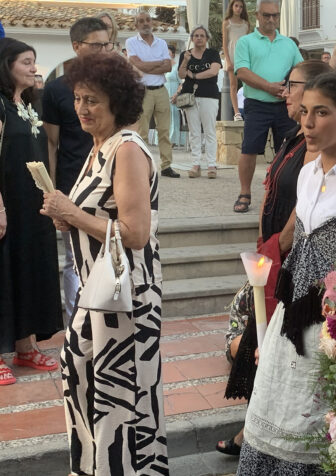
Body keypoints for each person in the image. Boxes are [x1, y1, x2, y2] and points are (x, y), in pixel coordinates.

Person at [237, 72, 336, 475]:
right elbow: (301, 248)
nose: (308, 123)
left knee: (314, 423)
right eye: (305, 112)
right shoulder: (308, 173)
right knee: (273, 412)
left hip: (331, 325)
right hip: (294, 312)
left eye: (321, 113)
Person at [40, 52, 168, 475]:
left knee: (118, 401)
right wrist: (70, 219)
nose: (81, 108)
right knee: (84, 383)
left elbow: (134, 233)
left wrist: (74, 214)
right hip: (96, 295)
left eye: (92, 99)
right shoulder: (99, 149)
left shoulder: (127, 150)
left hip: (124, 301)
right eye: (78, 98)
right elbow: (103, 218)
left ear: (117, 102)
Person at [218, 59, 333, 456]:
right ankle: (253, 428)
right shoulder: (292, 137)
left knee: (267, 345)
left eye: (293, 85)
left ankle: (256, 431)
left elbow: (302, 211)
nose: (285, 92)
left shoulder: (318, 148)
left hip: (287, 259)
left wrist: (273, 249)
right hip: (272, 254)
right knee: (258, 341)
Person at [0, 38, 62, 386]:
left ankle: (26, 345)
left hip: (32, 207)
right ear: (6, 65)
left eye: (33, 61)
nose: (33, 68)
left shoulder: (28, 105)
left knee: (27, 271)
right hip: (7, 204)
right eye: (26, 61)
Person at [42, 17, 111, 325]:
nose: (103, 50)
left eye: (107, 44)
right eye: (97, 44)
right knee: (74, 259)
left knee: (110, 249)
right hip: (74, 182)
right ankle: (77, 323)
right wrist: (53, 190)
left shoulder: (114, 84)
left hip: (111, 180)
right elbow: (52, 144)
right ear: (76, 46)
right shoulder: (56, 89)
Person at [232, 0, 303, 213]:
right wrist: (269, 87)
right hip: (257, 104)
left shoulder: (289, 44)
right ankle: (245, 193)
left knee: (289, 150)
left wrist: (289, 88)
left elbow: (300, 69)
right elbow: (242, 72)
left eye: (275, 15)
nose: (271, 19)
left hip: (284, 105)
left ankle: (286, 194)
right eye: (267, 15)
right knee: (249, 149)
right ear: (257, 15)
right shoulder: (246, 42)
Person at [126, 12, 178, 178]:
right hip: (143, 91)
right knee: (142, 131)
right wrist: (157, 63)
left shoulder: (161, 43)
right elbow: (139, 65)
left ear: (152, 22)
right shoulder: (131, 42)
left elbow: (168, 67)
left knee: (164, 130)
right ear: (136, 25)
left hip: (161, 90)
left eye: (148, 20)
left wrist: (147, 65)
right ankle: (144, 166)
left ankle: (166, 165)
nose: (145, 23)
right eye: (141, 21)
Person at [178, 26, 222, 179]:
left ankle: (211, 164)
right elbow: (182, 74)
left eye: (202, 35)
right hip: (190, 96)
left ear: (206, 38)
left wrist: (194, 75)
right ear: (192, 38)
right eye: (196, 35)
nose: (198, 38)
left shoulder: (213, 53)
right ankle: (195, 164)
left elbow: (213, 71)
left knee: (209, 131)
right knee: (194, 132)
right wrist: (185, 61)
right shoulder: (186, 54)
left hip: (209, 95)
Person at [222, 0, 250, 121]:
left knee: (248, 84)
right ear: (232, 7)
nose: (238, 8)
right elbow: (225, 43)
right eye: (236, 6)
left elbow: (248, 42)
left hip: (244, 55)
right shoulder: (227, 23)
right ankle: (237, 112)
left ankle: (248, 109)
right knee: (233, 85)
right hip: (232, 54)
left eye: (241, 7)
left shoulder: (246, 24)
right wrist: (228, 61)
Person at [166, 45, 186, 147]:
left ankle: (173, 140)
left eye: (168, 53)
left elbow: (182, 83)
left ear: (173, 55)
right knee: (164, 118)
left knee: (174, 118)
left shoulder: (176, 67)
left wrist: (176, 95)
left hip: (173, 94)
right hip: (163, 94)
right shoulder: (162, 66)